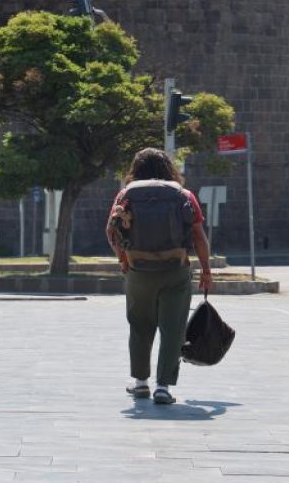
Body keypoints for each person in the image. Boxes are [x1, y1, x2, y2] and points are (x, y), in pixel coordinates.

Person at [106, 147, 213, 405]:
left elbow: (111, 231)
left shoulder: (126, 194)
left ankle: (141, 383)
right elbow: (198, 236)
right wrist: (206, 270)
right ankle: (163, 387)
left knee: (140, 325)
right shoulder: (183, 195)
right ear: (168, 168)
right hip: (175, 270)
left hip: (138, 270)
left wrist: (123, 259)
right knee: (173, 328)